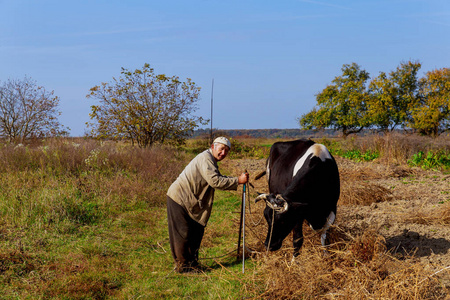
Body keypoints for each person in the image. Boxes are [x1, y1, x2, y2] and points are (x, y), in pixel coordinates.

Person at [166, 137, 249, 273]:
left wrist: (236, 180)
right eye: (221, 149)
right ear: (213, 147)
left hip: (189, 200)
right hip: (179, 198)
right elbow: (215, 181)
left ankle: (192, 264)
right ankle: (183, 267)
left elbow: (216, 176)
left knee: (195, 231)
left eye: (226, 151)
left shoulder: (210, 160)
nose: (223, 153)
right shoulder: (205, 158)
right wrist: (238, 181)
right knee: (183, 234)